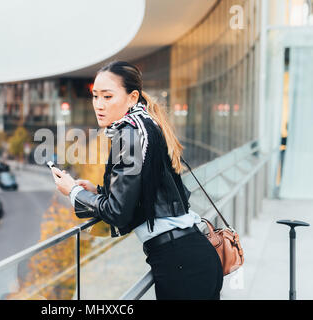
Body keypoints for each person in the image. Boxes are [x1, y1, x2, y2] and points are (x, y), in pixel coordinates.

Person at [51, 61, 223, 300]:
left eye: (108, 96)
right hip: (193, 257)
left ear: (132, 97)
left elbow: (118, 212)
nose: (98, 105)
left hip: (180, 266)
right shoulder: (146, 124)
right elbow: (143, 196)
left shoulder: (129, 132)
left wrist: (73, 192)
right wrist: (98, 191)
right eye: (95, 96)